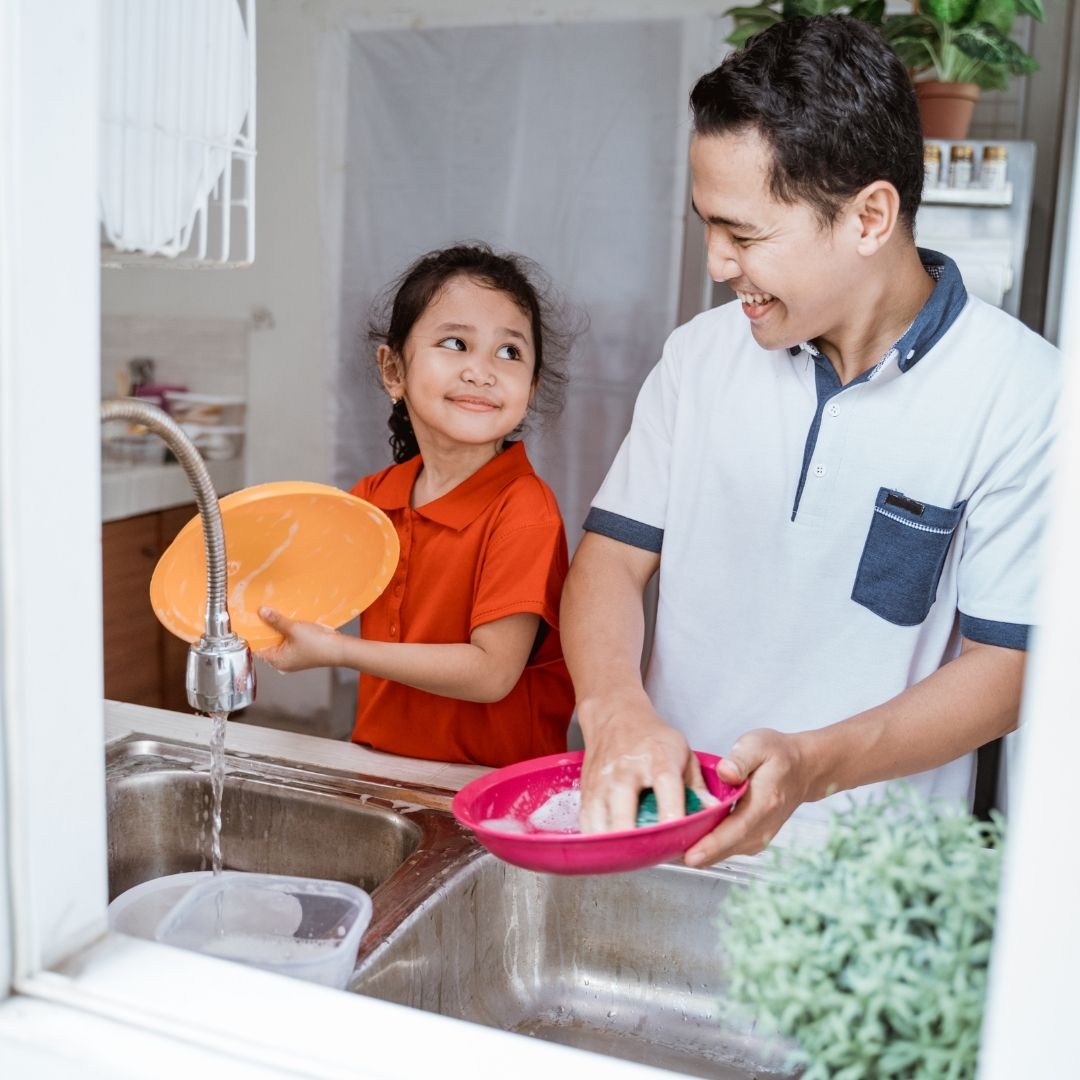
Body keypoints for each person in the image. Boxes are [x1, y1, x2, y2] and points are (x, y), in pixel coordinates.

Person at [561, 15, 1061, 863]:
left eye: (745, 234)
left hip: (863, 879)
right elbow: (611, 559)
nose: (718, 262)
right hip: (665, 828)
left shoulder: (1023, 395)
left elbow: (1004, 668)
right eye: (708, 225)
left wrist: (811, 765)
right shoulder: (699, 357)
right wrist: (616, 712)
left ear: (869, 217)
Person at [259, 244, 575, 768]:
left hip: (490, 792)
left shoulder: (524, 511)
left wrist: (338, 651)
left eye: (510, 352)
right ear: (393, 370)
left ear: (532, 386)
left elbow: (492, 673)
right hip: (383, 768)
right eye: (456, 343)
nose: (482, 371)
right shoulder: (372, 499)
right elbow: (299, 596)